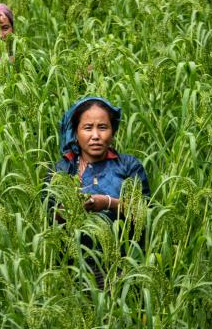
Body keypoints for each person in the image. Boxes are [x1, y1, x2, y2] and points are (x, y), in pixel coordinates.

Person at [45, 96, 150, 288]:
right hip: (73, 270)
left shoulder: (128, 166)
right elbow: (49, 215)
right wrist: (73, 208)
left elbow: (143, 212)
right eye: (87, 128)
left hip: (121, 268)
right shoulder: (62, 170)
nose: (95, 135)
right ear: (75, 132)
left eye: (102, 127)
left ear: (112, 131)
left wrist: (107, 202)